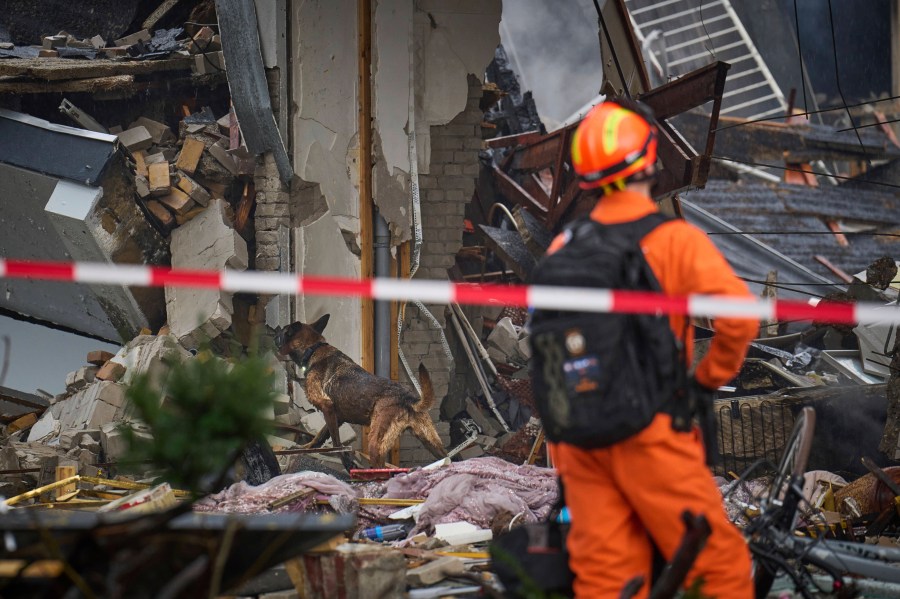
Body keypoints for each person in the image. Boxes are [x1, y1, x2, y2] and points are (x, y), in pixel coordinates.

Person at [547, 99, 758, 598]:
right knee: (718, 571)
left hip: (579, 439)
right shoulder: (674, 241)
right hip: (652, 431)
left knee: (608, 580)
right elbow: (739, 318)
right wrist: (705, 381)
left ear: (586, 179)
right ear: (649, 161)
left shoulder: (562, 249)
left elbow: (548, 346)